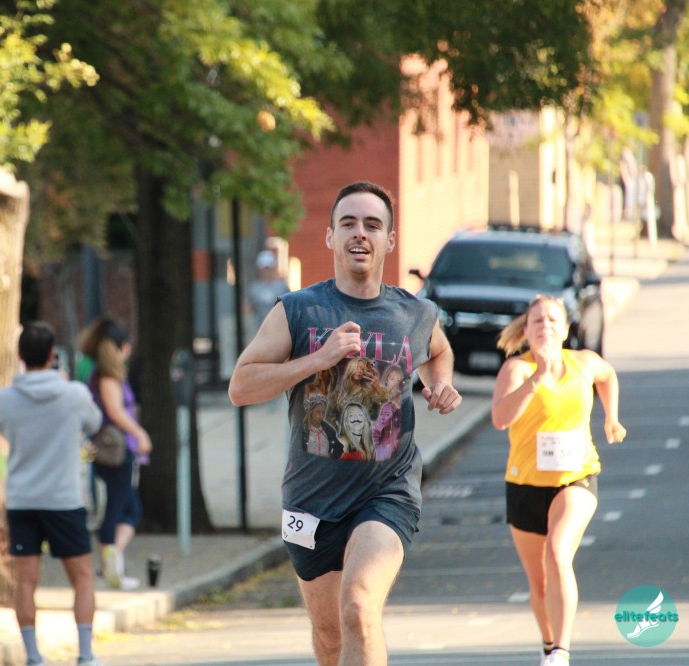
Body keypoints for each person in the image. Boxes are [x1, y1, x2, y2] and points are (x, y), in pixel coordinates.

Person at [228, 180, 462, 666]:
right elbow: (241, 386)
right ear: (330, 236)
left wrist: (440, 384)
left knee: (358, 607)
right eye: (348, 223)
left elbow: (439, 351)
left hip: (387, 493)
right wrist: (318, 359)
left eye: (372, 225)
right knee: (330, 634)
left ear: (389, 240)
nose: (360, 233)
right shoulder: (297, 310)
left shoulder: (413, 313)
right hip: (311, 500)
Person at [491, 295, 626, 666]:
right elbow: (500, 418)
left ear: (565, 329)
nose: (545, 326)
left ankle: (561, 652)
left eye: (553, 320)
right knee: (539, 583)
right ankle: (549, 645)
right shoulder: (517, 370)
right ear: (526, 331)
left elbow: (607, 376)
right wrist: (536, 378)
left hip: (576, 478)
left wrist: (611, 417)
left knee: (557, 552)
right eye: (537, 321)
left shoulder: (583, 362)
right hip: (524, 485)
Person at [0, 321, 104, 666]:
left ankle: (33, 656)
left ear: (20, 355)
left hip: (22, 499)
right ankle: (85, 654)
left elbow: (2, 429)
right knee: (82, 578)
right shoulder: (74, 395)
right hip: (63, 498)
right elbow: (94, 423)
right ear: (53, 355)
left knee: (25, 581)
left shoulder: (1, 400)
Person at [78, 317, 152, 590]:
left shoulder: (101, 374)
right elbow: (115, 411)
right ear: (121, 347)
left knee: (129, 507)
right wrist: (139, 433)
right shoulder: (108, 376)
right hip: (115, 450)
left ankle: (112, 561)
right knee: (118, 507)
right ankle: (110, 562)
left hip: (110, 448)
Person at [247, 249, 291, 333]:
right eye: (264, 268)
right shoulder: (254, 288)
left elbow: (290, 307)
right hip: (259, 330)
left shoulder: (282, 287)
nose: (266, 271)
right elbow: (247, 309)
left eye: (269, 268)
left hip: (279, 330)